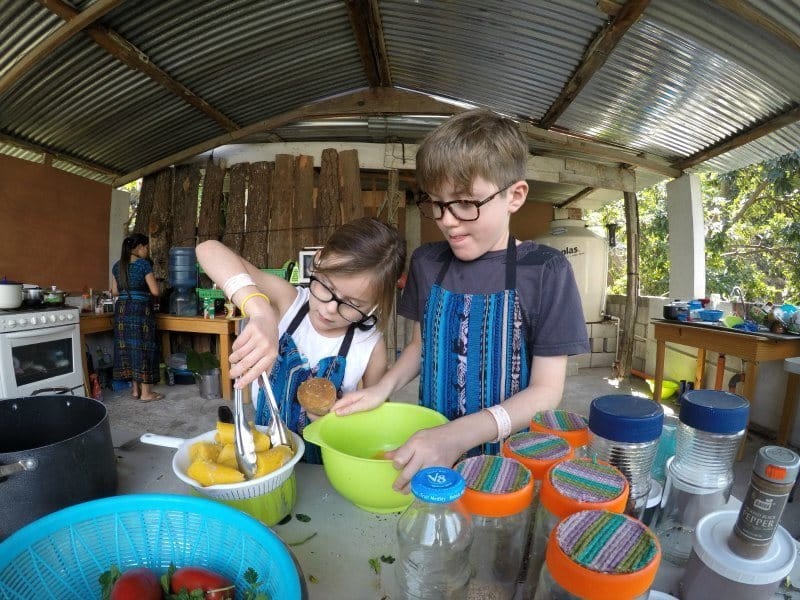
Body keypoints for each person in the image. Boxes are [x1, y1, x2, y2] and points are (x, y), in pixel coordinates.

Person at [333, 109, 590, 491]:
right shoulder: (428, 262)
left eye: (466, 202)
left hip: (507, 460)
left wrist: (457, 436)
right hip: (430, 446)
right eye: (437, 203)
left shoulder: (546, 270)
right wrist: (382, 389)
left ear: (514, 196)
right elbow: (421, 347)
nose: (447, 220)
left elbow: (545, 392)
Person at [196, 217, 406, 463]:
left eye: (352, 304)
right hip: (267, 457)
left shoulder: (370, 346)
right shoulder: (288, 303)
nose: (329, 309)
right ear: (317, 263)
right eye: (326, 287)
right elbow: (208, 249)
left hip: (327, 465)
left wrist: (342, 418)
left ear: (375, 305)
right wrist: (259, 310)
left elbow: (376, 420)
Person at [111, 233, 162, 402]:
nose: (147, 250)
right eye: (146, 247)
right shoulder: (143, 265)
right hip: (139, 310)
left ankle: (135, 390)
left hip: (122, 310)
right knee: (143, 348)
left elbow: (115, 292)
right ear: (139, 247)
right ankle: (146, 393)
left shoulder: (118, 265)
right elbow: (155, 291)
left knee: (129, 349)